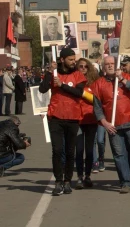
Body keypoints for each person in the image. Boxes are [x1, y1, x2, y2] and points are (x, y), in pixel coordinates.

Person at [39, 47, 87, 196]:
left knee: (69, 151)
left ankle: (68, 181)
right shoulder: (54, 73)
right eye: (70, 60)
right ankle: (58, 182)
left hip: (73, 118)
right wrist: (49, 72)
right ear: (62, 60)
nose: (74, 62)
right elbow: (42, 89)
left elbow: (79, 93)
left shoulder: (78, 75)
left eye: (74, 59)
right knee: (57, 150)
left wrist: (62, 85)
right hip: (56, 117)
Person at [93, 56, 130, 193]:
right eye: (107, 64)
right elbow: (97, 108)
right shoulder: (98, 84)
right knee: (119, 154)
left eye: (112, 63)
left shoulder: (127, 77)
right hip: (113, 125)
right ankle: (125, 182)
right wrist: (105, 123)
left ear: (117, 65)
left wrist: (122, 78)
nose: (110, 66)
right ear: (103, 67)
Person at [74, 58, 99, 189]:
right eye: (80, 66)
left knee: (89, 150)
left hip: (90, 120)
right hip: (76, 119)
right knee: (78, 150)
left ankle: (87, 176)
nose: (83, 68)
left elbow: (98, 100)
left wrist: (83, 93)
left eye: (85, 66)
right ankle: (79, 176)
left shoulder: (94, 83)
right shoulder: (73, 82)